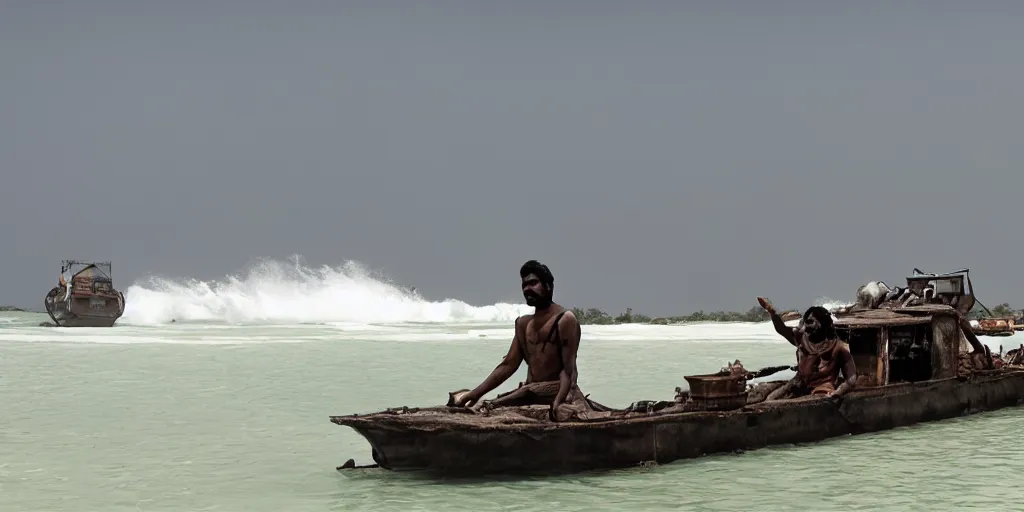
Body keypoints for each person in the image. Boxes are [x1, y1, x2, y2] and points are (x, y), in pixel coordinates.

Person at [453, 260, 587, 421]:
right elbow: (509, 364)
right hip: (531, 391)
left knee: (496, 404)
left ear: (548, 286)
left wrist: (558, 401)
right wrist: (474, 394)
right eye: (524, 285)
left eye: (533, 283)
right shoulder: (523, 324)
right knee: (503, 398)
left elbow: (568, 371)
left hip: (557, 390)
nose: (527, 289)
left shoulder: (565, 319)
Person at [757, 297, 858, 399]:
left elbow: (851, 378)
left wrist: (838, 392)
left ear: (823, 324)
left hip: (823, 389)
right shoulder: (801, 338)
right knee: (770, 398)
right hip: (798, 383)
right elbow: (781, 329)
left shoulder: (837, 347)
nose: (806, 327)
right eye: (805, 322)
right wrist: (771, 312)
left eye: (810, 322)